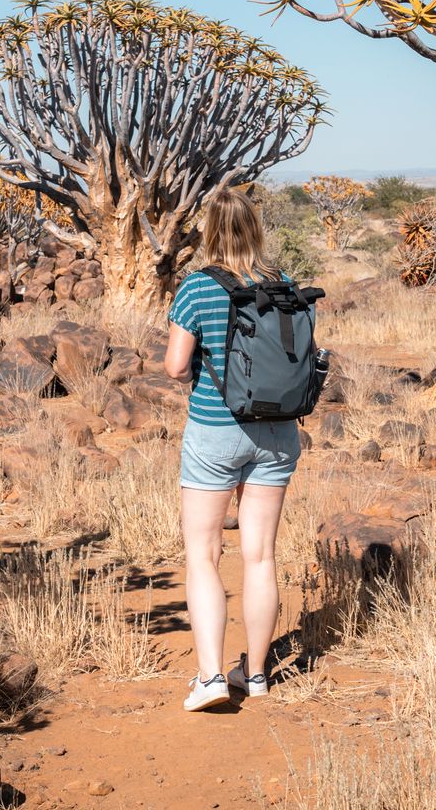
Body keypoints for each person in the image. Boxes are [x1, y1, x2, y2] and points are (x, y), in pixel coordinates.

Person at [163, 186, 305, 712]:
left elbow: (177, 367)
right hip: (277, 432)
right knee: (261, 555)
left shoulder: (197, 288)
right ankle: (259, 674)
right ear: (255, 229)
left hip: (214, 431)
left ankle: (210, 678)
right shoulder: (283, 285)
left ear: (209, 232)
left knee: (203, 555)